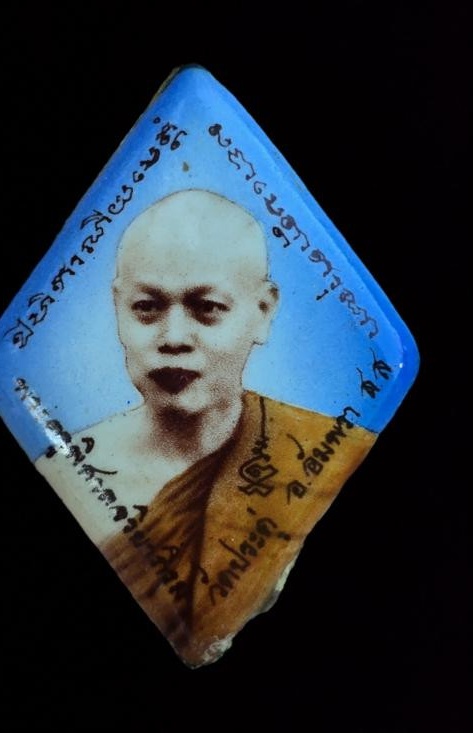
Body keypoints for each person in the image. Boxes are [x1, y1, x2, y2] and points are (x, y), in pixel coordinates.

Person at [36, 189, 377, 666]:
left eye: (208, 307)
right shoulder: (64, 472)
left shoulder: (328, 449)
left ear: (263, 311)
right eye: (146, 307)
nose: (174, 338)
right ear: (117, 306)